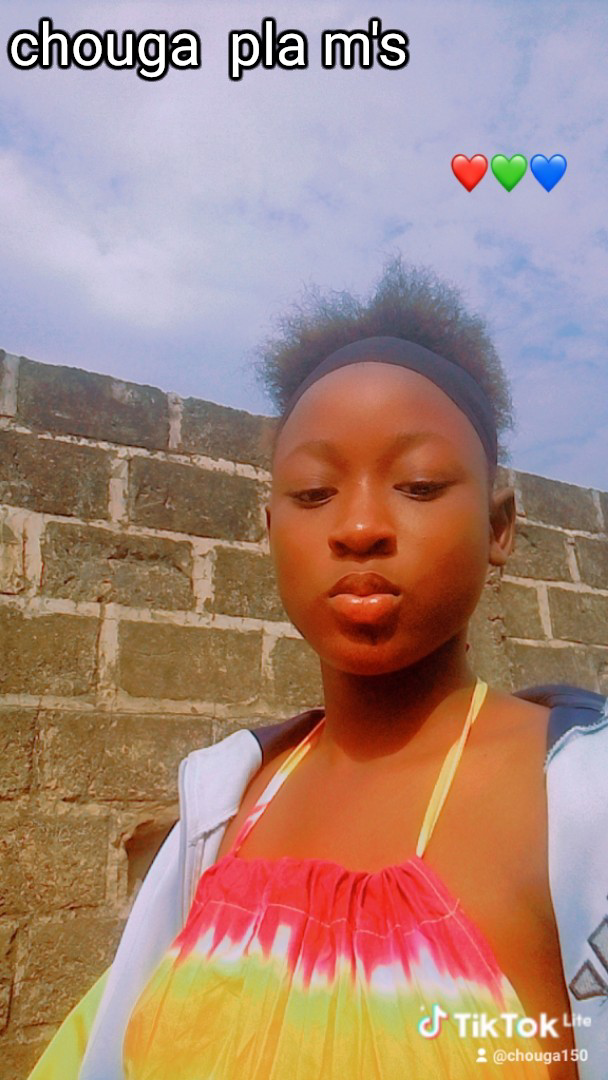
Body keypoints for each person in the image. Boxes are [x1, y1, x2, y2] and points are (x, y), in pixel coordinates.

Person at [28, 259, 608, 1079]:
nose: (360, 526)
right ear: (270, 529)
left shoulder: (579, 805)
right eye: (312, 493)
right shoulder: (219, 815)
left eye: (417, 484)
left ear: (499, 526)